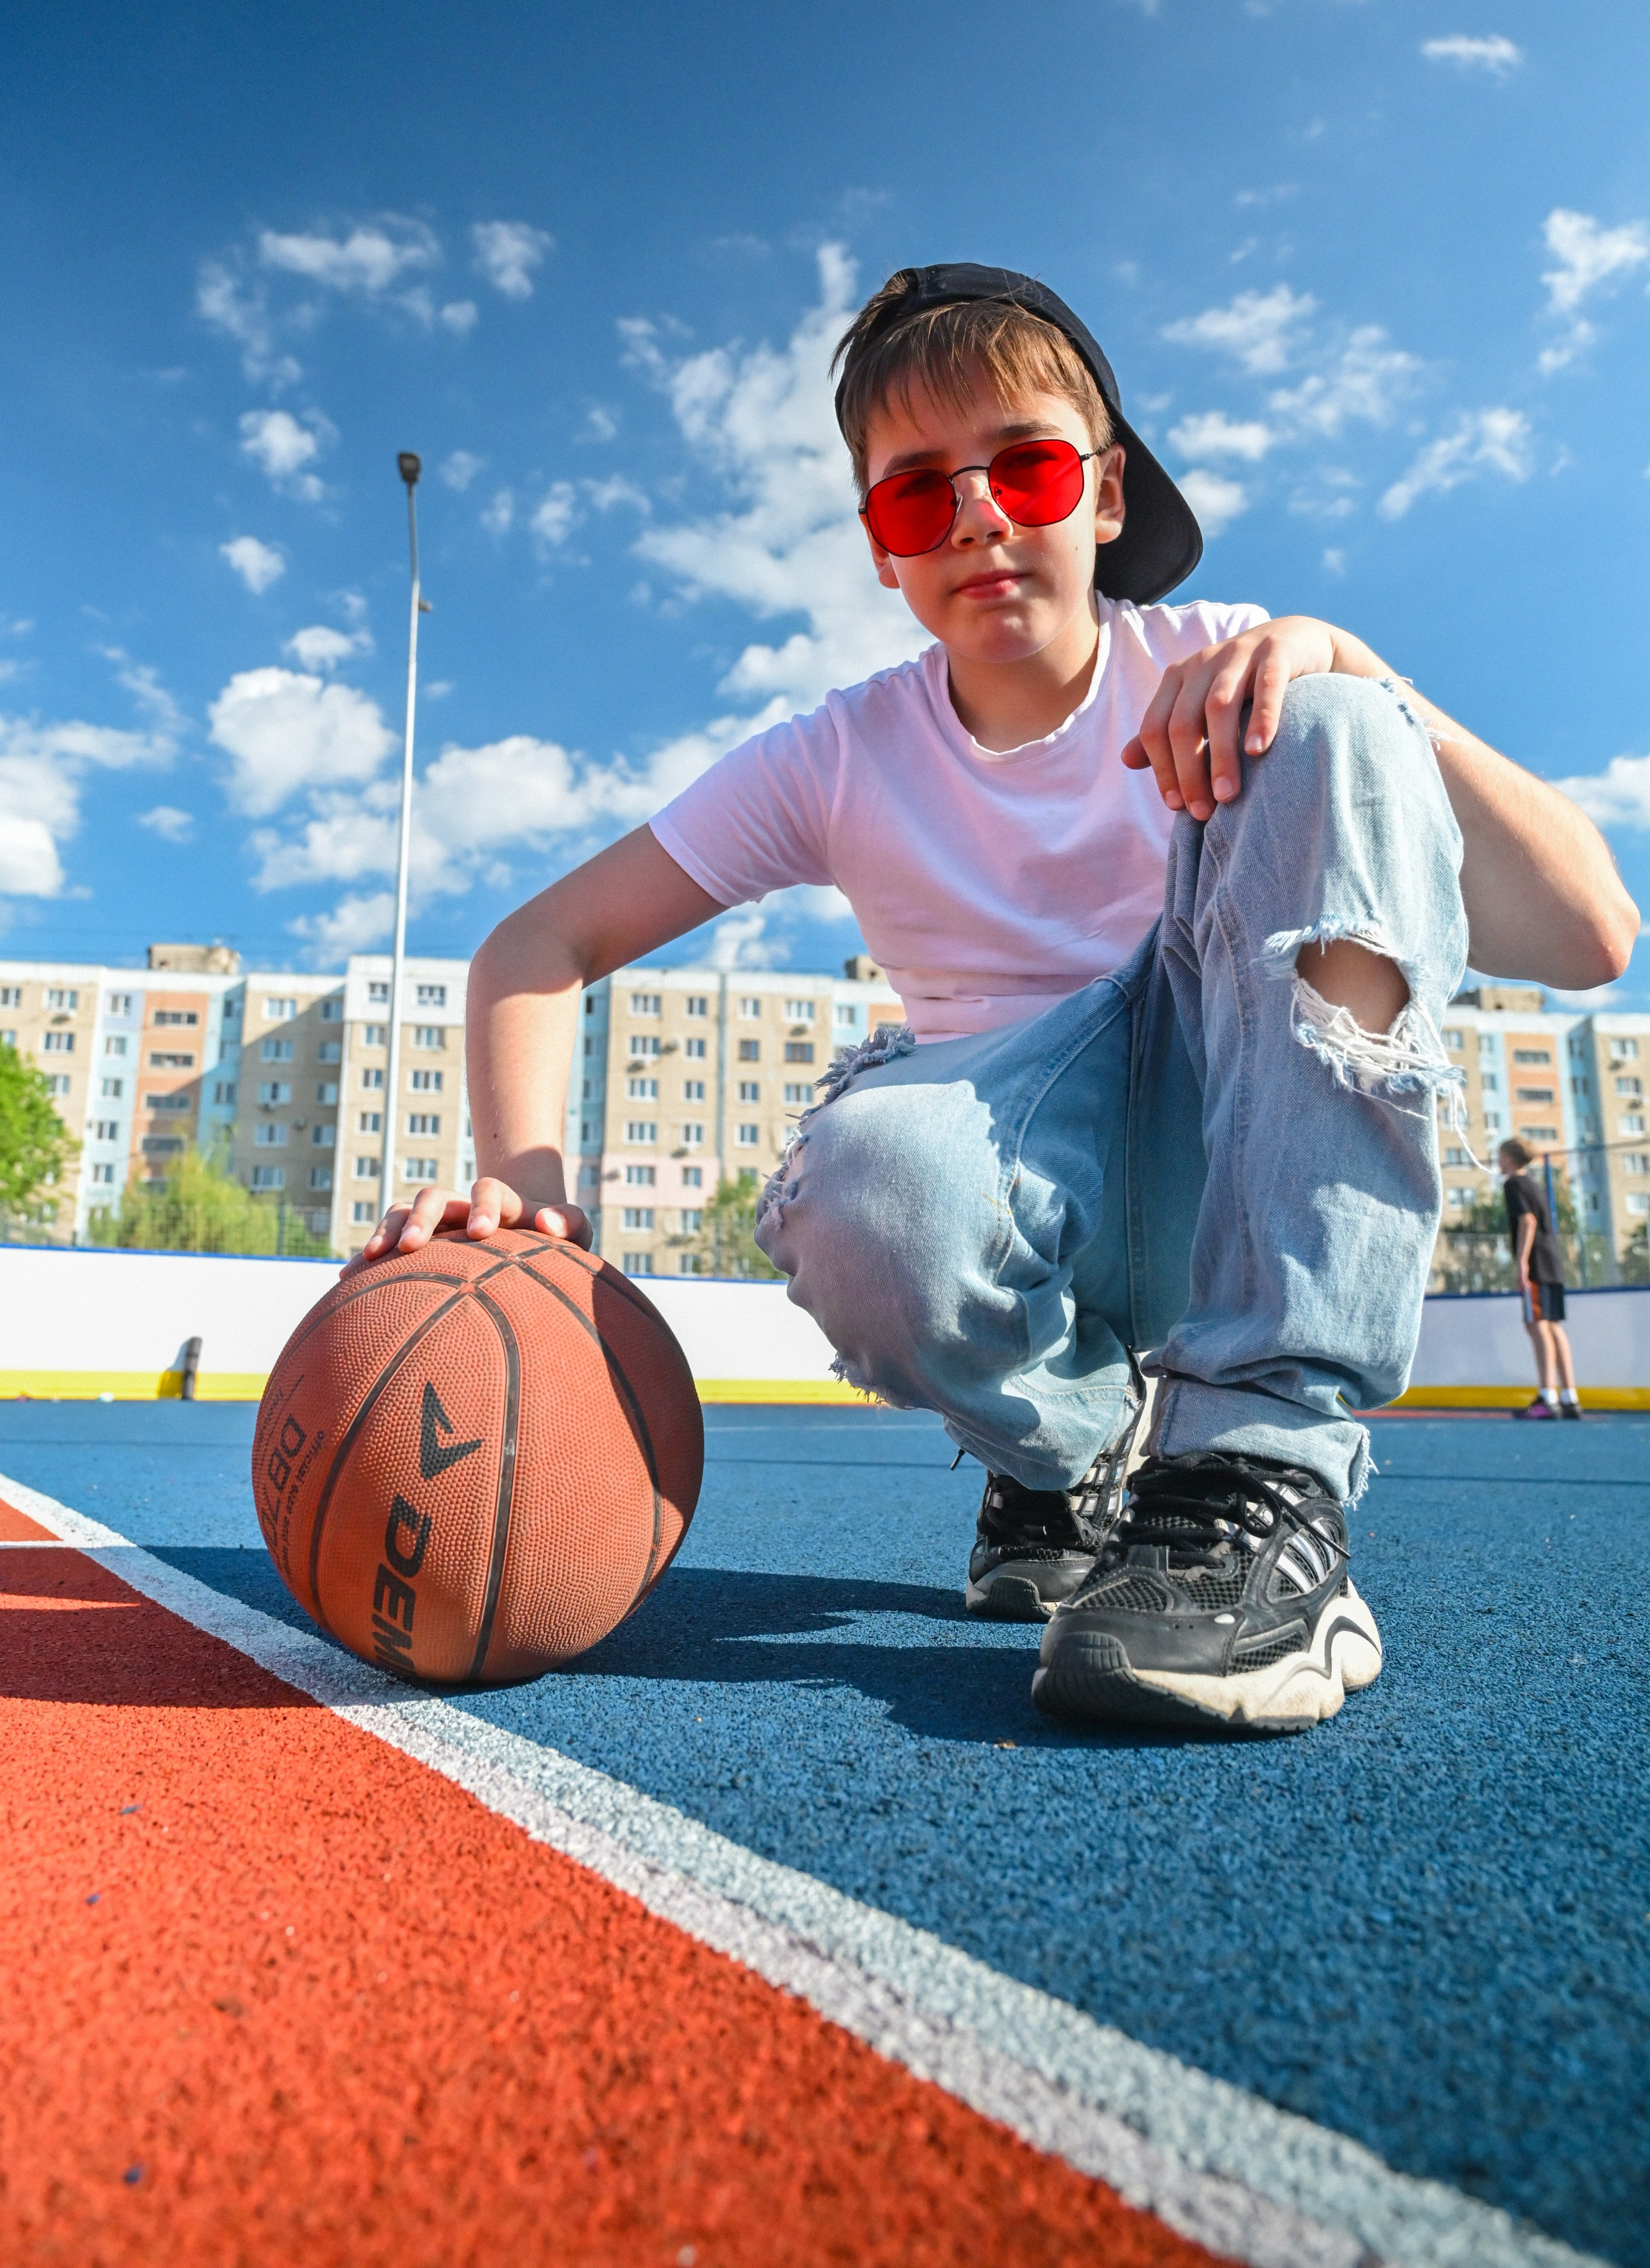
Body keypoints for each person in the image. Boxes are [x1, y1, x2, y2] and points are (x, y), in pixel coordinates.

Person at [364, 262, 1636, 1736]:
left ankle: (1260, 1469)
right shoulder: (836, 756)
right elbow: (538, 940)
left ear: (1103, 495)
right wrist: (526, 1193)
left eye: (1022, 467)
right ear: (880, 548)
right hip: (1034, 1196)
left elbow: (1591, 935)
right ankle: (1067, 1454)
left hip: (1249, 1160)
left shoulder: (1214, 658)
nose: (973, 515)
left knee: (1331, 715)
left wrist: (1352, 664)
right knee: (868, 1177)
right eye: (916, 494)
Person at [1499, 1139, 1582, 1419]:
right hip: (1552, 1261)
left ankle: (1548, 1397)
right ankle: (1569, 1397)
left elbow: (1528, 1221)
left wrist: (1522, 1262)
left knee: (1537, 1325)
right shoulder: (1535, 1185)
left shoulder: (1514, 1184)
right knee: (1553, 1326)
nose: (1499, 1162)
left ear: (1510, 1158)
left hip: (1536, 1263)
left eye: (1501, 1156)